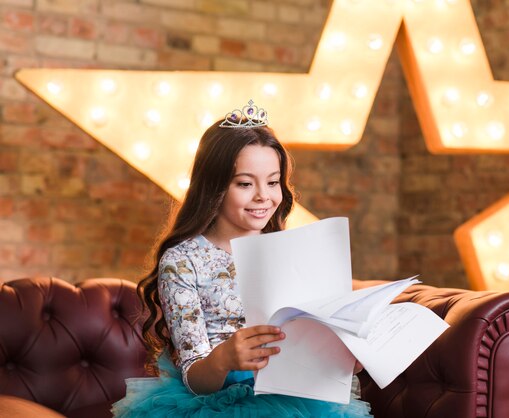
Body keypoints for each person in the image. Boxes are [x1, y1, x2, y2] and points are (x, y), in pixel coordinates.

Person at [112, 101, 373, 417]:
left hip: (293, 396)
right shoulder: (183, 261)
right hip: (216, 401)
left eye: (273, 181)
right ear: (215, 187)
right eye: (246, 183)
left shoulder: (291, 252)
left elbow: (309, 341)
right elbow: (195, 375)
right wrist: (223, 359)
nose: (264, 196)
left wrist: (341, 356)